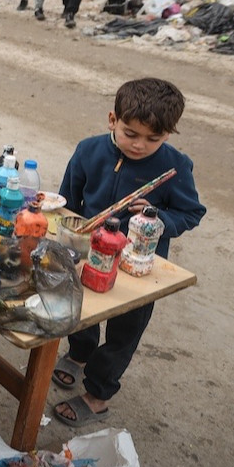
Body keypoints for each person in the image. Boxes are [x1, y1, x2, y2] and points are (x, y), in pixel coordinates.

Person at [52, 78, 207, 428]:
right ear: (113, 120)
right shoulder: (88, 151)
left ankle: (98, 395)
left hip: (139, 265)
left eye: (154, 138)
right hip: (91, 253)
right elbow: (69, 204)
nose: (140, 145)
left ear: (169, 134)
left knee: (125, 331)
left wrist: (158, 218)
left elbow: (191, 213)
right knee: (80, 308)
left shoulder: (175, 166)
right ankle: (79, 354)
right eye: (130, 133)